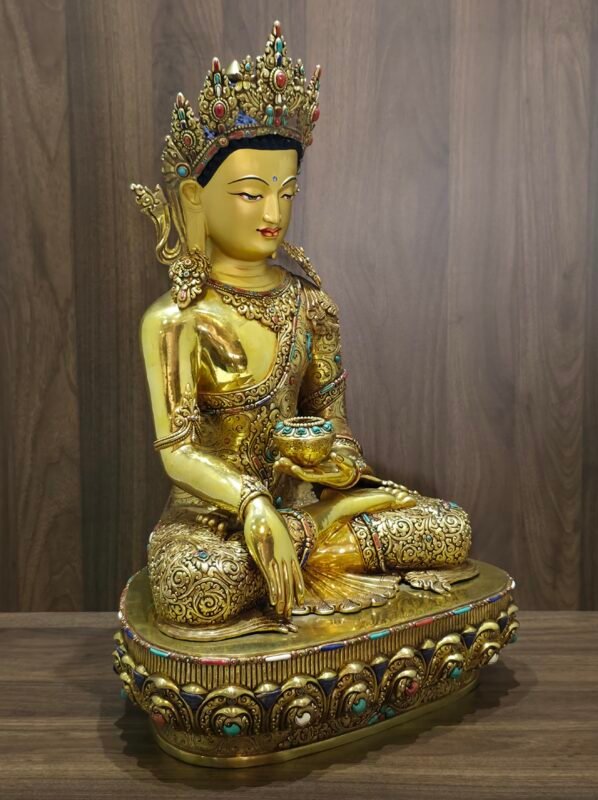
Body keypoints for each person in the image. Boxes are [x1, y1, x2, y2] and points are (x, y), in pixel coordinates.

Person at [133, 22, 473, 641]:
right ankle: (303, 543)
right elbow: (179, 453)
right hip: (211, 526)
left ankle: (313, 533)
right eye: (249, 192)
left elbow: (332, 421)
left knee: (449, 526)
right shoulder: (174, 321)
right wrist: (250, 501)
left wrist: (334, 470)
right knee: (197, 587)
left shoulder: (310, 304)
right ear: (194, 197)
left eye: (286, 193)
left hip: (300, 505)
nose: (272, 213)